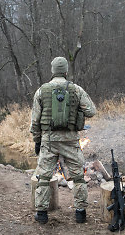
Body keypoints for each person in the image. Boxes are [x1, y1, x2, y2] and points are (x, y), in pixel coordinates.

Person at [30, 56, 96, 224]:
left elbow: (35, 121)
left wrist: (37, 141)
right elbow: (91, 111)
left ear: (52, 71)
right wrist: (77, 112)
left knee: (44, 177)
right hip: (71, 140)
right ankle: (80, 213)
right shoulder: (76, 90)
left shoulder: (41, 90)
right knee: (78, 177)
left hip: (49, 141)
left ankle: (42, 214)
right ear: (66, 71)